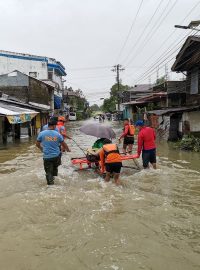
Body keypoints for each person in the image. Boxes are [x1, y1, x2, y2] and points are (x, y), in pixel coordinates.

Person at [36, 120, 70, 185]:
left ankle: (50, 185)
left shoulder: (42, 133)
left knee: (48, 172)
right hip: (56, 156)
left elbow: (37, 144)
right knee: (55, 169)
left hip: (47, 157)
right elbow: (64, 144)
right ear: (54, 126)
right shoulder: (57, 134)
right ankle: (53, 179)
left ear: (48, 125)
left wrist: (41, 149)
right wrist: (68, 149)